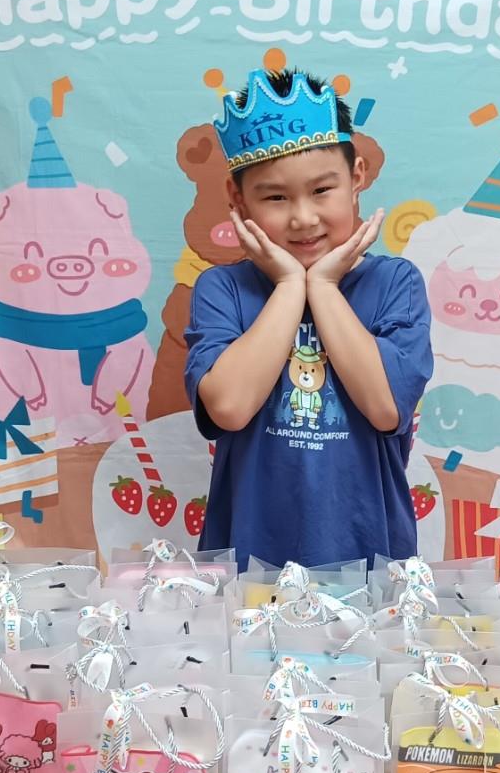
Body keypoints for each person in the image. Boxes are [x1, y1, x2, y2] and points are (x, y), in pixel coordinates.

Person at [184, 67, 432, 567]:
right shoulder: (223, 289)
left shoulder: (395, 283)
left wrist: (322, 285)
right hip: (248, 566)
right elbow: (229, 407)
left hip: (368, 562)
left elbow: (385, 408)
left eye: (322, 190)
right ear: (237, 198)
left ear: (356, 177)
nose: (302, 217)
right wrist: (288, 285)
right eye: (276, 197)